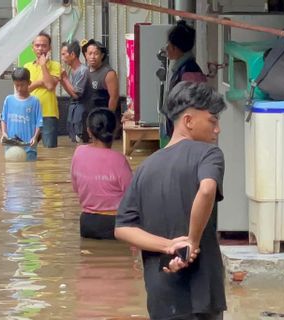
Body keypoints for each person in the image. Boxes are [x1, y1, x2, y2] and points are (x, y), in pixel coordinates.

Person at [115, 81, 227, 320]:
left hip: (161, 295)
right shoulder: (209, 154)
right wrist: (192, 243)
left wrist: (167, 246)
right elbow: (207, 190)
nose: (217, 130)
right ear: (188, 120)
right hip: (201, 294)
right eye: (212, 121)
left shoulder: (146, 167)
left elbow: (123, 228)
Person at [71, 108, 132, 239]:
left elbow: (76, 188)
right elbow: (132, 198)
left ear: (89, 130)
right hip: (115, 223)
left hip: (87, 223)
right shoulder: (119, 160)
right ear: (116, 130)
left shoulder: (78, 153)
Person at [160, 20, 207, 147]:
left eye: (168, 45)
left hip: (186, 137)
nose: (166, 48)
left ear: (176, 48)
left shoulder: (189, 73)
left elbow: (192, 108)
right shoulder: (181, 68)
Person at [24, 32, 61, 148]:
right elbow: (23, 91)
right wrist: (40, 82)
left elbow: (50, 85)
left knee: (50, 150)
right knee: (27, 147)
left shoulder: (56, 65)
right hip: (29, 113)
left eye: (44, 45)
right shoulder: (27, 67)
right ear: (32, 47)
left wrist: (43, 65)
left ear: (49, 48)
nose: (40, 48)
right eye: (37, 45)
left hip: (48, 114)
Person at [0, 67, 43, 161]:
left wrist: (35, 138)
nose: (19, 88)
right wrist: (4, 133)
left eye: (22, 85)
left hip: (29, 147)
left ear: (29, 83)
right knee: (11, 173)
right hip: (11, 148)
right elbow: (3, 119)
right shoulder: (9, 100)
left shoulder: (35, 101)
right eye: (16, 85)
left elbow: (39, 123)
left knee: (29, 173)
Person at [60, 40, 89, 143]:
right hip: (73, 108)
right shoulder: (71, 70)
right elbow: (71, 93)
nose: (62, 58)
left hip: (81, 109)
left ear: (72, 54)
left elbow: (76, 95)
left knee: (81, 141)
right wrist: (62, 80)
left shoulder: (83, 70)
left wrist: (65, 79)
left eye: (64, 54)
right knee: (74, 139)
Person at [81, 39, 119, 113]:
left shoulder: (109, 73)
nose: (92, 57)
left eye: (96, 54)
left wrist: (108, 117)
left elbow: (114, 98)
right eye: (90, 53)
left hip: (102, 117)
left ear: (102, 55)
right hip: (88, 117)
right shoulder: (84, 71)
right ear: (85, 55)